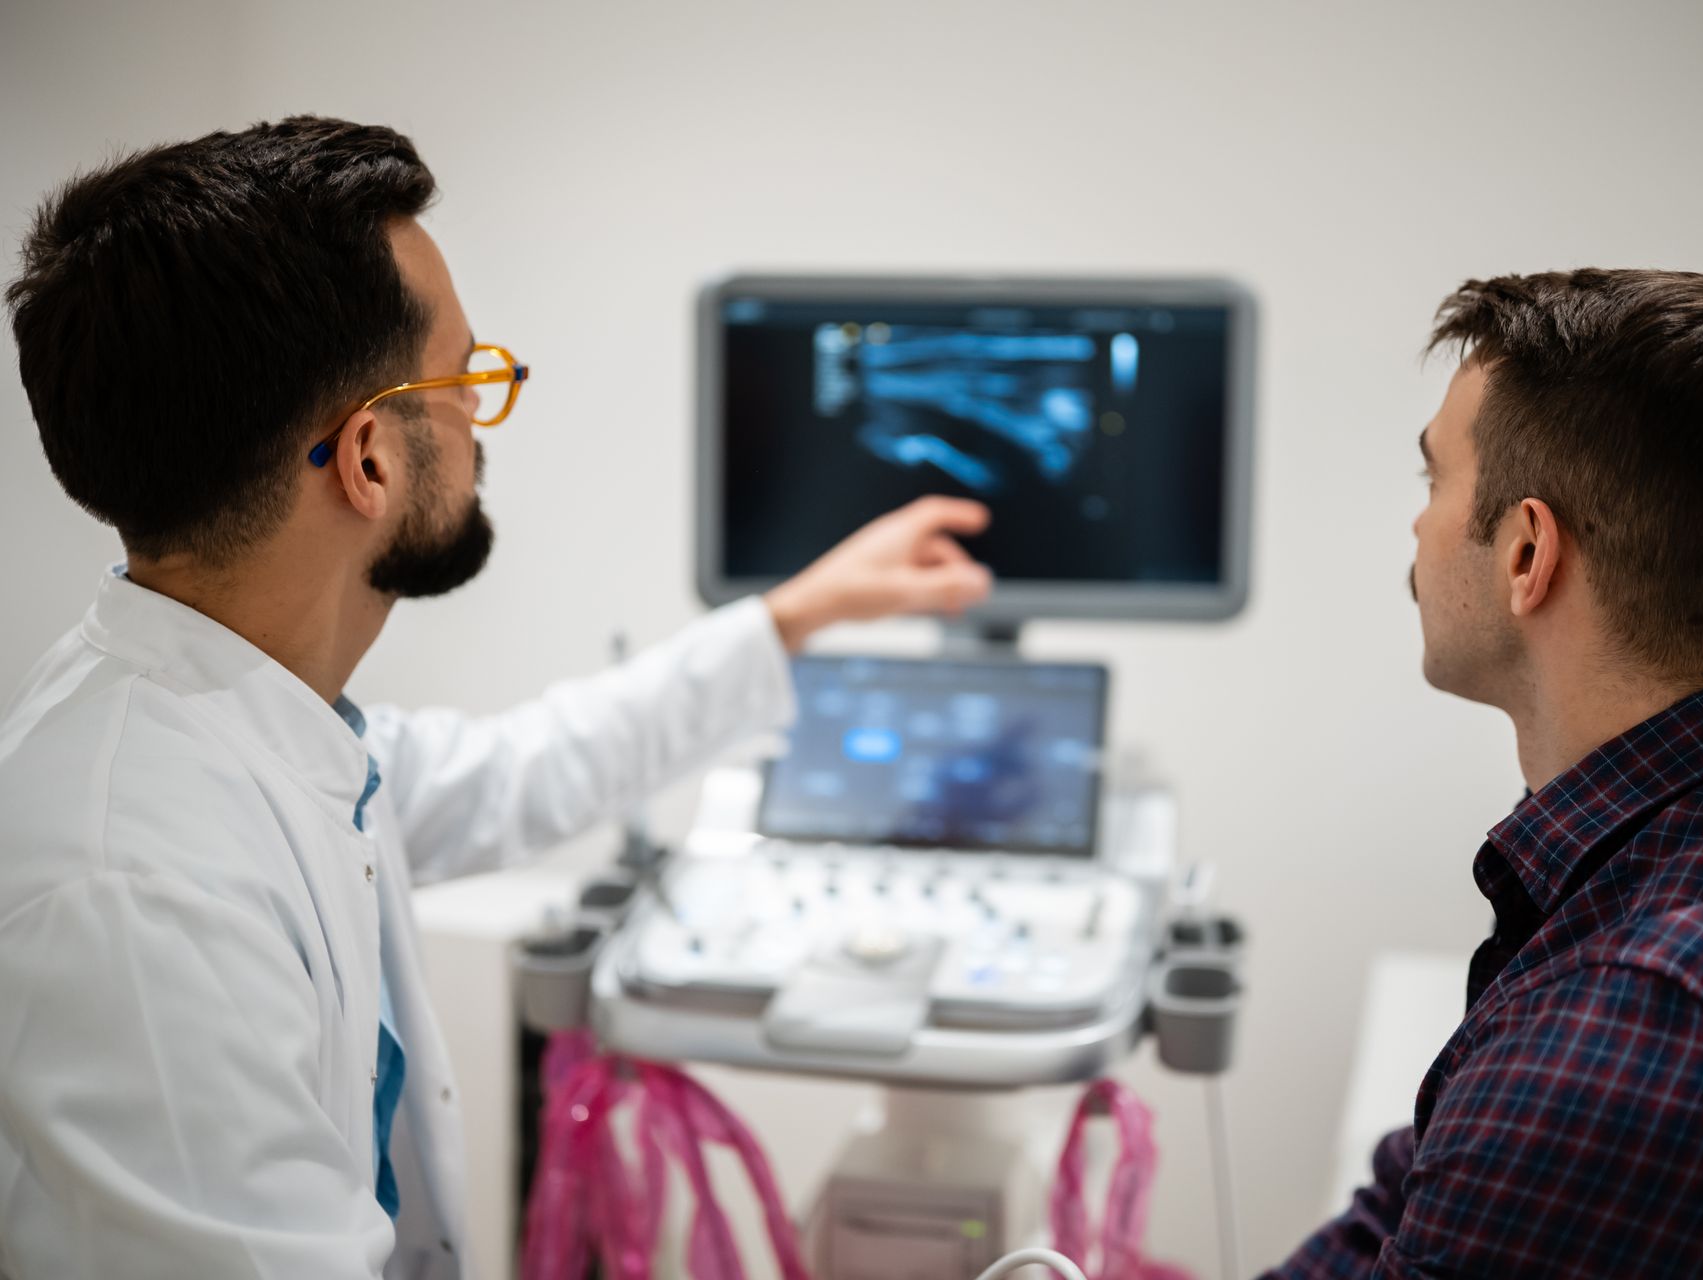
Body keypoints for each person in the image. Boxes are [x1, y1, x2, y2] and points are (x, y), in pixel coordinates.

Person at [0, 116, 992, 1279]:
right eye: (464, 377)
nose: (483, 412)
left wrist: (797, 615)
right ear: (369, 458)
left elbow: (526, 768)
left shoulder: (252, 715)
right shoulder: (134, 890)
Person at [1266, 270, 1703, 1277]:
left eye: (1431, 480)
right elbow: (1406, 1190)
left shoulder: (1630, 1040)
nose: (1418, 525)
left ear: (1528, 551)